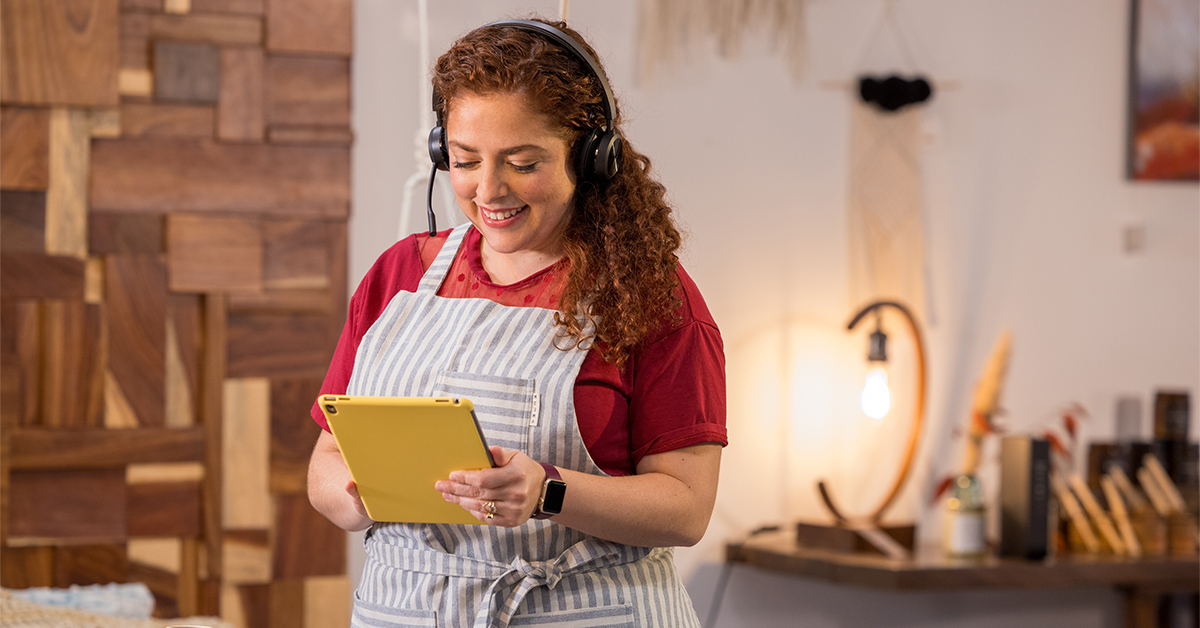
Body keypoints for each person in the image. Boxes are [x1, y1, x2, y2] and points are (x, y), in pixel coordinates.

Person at [307, 17, 726, 628]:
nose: (489, 190)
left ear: (590, 156)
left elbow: (686, 508)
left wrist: (550, 490)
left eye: (523, 163)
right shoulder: (399, 275)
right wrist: (357, 493)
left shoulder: (649, 296)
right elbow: (326, 457)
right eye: (464, 161)